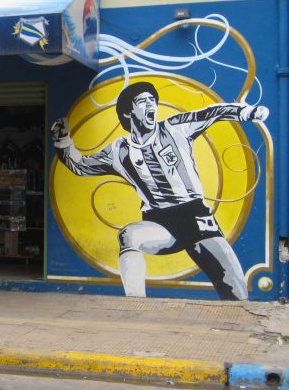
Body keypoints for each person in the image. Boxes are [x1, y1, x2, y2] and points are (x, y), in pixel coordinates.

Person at [51, 81, 269, 300]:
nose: (151, 106)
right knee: (129, 236)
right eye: (143, 102)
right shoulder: (119, 150)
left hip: (194, 216)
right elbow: (81, 166)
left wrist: (246, 112)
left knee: (236, 292)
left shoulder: (176, 128)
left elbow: (212, 112)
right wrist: (62, 141)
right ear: (128, 112)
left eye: (152, 101)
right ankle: (135, 304)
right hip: (159, 222)